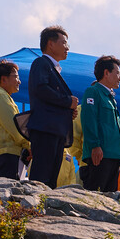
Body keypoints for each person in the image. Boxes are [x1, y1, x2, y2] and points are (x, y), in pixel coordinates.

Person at [27, 26, 80, 187]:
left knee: (51, 179)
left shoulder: (53, 68)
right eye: (64, 43)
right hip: (45, 129)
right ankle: (34, 209)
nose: (67, 47)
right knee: (41, 176)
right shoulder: (41, 63)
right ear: (50, 44)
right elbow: (41, 89)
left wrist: (67, 110)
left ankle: (43, 210)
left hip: (55, 130)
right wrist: (66, 101)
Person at [80, 55, 120, 194]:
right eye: (117, 73)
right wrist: (95, 145)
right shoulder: (93, 92)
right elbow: (89, 120)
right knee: (95, 195)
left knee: (109, 199)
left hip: (114, 156)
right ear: (106, 73)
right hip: (100, 155)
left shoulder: (111, 98)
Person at [0, 59, 29, 180]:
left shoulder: (4, 96)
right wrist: (29, 145)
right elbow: (15, 127)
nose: (19, 81)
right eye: (16, 77)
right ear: (4, 79)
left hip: (10, 153)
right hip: (6, 154)